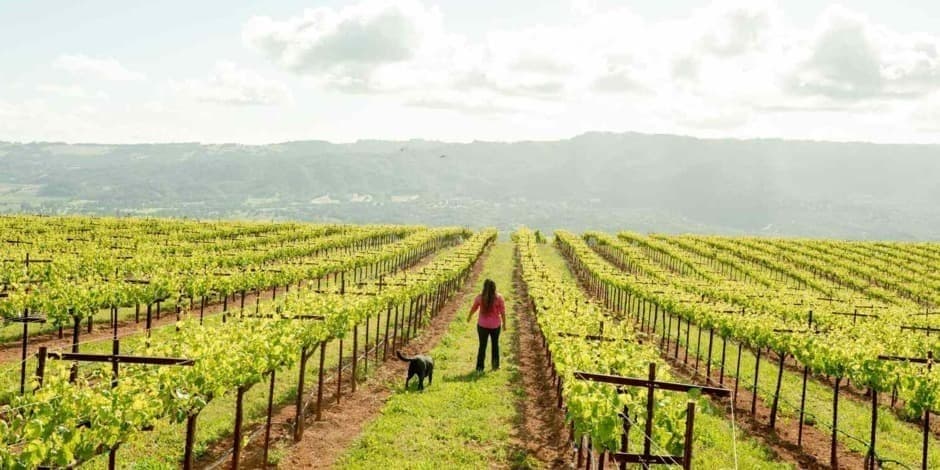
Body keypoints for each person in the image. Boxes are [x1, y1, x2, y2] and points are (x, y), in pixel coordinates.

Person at [466, 279, 506, 372]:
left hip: (482, 326)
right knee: (495, 345)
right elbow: (503, 312)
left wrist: (469, 317)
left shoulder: (480, 297)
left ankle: (480, 368)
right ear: (494, 287)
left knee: (482, 346)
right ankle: (495, 366)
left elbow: (474, 308)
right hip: (495, 326)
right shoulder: (499, 298)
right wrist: (504, 324)